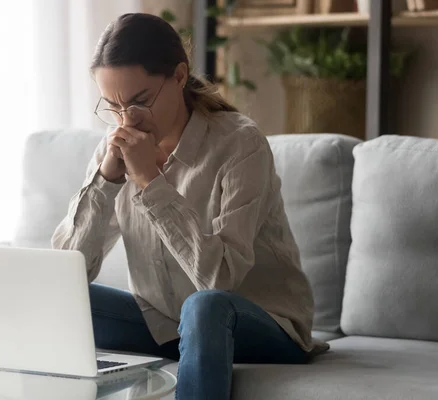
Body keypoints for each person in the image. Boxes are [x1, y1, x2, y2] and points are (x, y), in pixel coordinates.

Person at [52, 12, 328, 400]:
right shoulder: (112, 149)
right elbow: (64, 270)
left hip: (257, 325)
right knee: (61, 302)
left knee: (205, 307)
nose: (126, 119)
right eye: (112, 106)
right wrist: (107, 181)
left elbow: (219, 280)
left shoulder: (240, 145)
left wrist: (151, 182)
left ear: (179, 76)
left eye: (140, 101)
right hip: (166, 325)